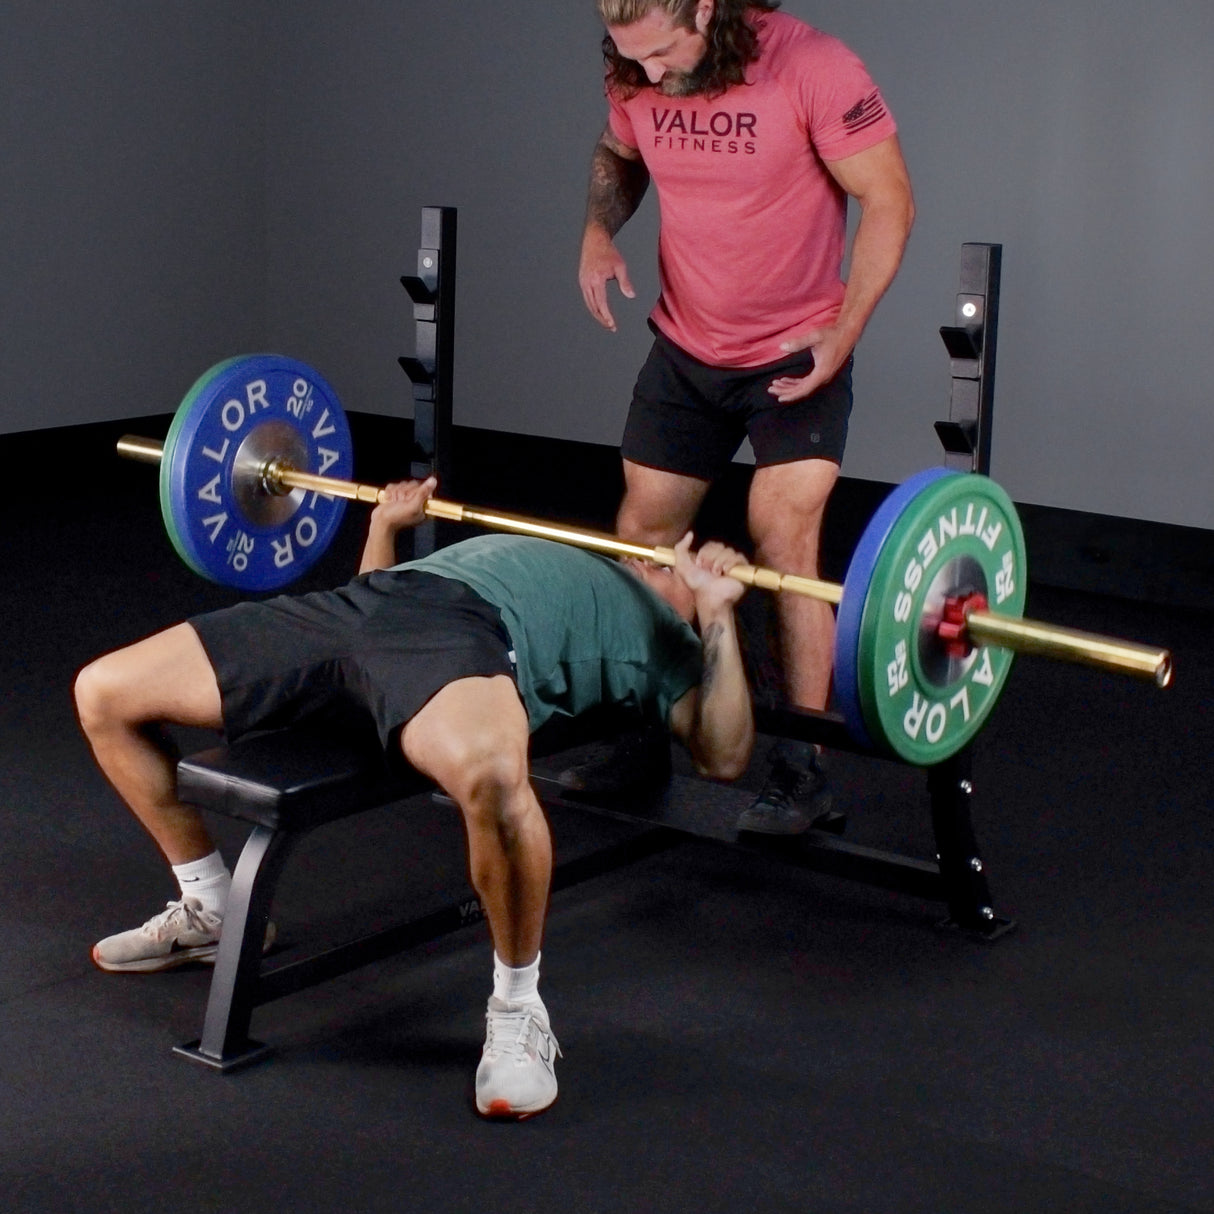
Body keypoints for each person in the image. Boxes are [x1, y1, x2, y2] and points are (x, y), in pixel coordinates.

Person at [73, 477, 754, 1120]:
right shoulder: (578, 558)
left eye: (678, 568)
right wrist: (386, 525)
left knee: (491, 776)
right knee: (103, 690)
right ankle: (211, 905)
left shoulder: (664, 642)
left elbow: (723, 753)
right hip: (360, 610)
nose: (660, 562)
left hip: (463, 637)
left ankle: (519, 1010)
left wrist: (717, 613)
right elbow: (370, 596)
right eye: (658, 556)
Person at [579, 0, 914, 833]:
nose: (647, 75)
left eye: (661, 54)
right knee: (643, 539)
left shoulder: (815, 66)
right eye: (631, 59)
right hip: (688, 347)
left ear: (705, 7)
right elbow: (621, 151)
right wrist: (596, 229)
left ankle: (805, 765)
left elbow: (891, 200)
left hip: (794, 352)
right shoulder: (633, 63)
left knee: (784, 538)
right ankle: (641, 734)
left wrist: (845, 331)